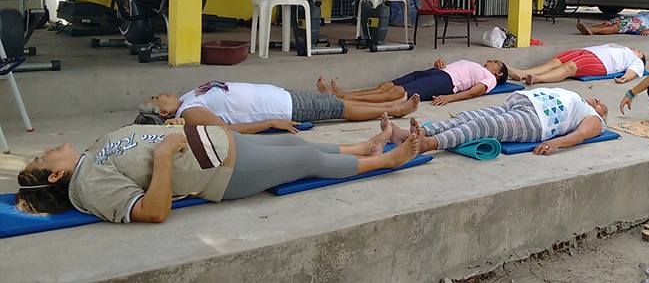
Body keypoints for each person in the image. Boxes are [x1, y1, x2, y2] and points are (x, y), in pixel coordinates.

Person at [15, 122, 420, 223]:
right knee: (307, 162)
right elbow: (152, 212)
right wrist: (162, 157)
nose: (47, 151)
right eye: (43, 159)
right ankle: (384, 160)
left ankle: (362, 146)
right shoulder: (88, 185)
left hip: (218, 143)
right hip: (222, 171)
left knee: (296, 145)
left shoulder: (90, 154)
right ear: (54, 177)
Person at [386, 87, 608, 156]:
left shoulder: (594, 119)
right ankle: (419, 133)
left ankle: (429, 144)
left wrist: (556, 144)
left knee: (481, 127)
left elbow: (579, 135)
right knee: (470, 117)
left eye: (601, 105)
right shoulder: (576, 97)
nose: (598, 101)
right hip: (521, 103)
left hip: (537, 120)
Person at [136, 80, 419, 134]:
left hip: (278, 96)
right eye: (156, 98)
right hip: (281, 109)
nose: (160, 93)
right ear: (163, 112)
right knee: (337, 108)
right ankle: (394, 111)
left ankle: (390, 102)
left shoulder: (187, 99)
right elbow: (227, 130)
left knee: (335, 102)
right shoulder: (188, 113)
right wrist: (270, 123)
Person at [321, 58, 509, 106]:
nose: (490, 61)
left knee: (397, 93)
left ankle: (347, 100)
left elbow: (475, 91)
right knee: (387, 86)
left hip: (445, 82)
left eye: (494, 62)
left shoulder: (490, 78)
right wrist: (440, 64)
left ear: (498, 73)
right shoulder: (478, 66)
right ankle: (346, 94)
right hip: (437, 72)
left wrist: (450, 98)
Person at [510, 43, 646, 85]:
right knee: (554, 62)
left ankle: (537, 79)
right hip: (588, 51)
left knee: (569, 67)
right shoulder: (621, 47)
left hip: (602, 62)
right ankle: (522, 73)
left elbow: (633, 71)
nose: (638, 50)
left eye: (640, 52)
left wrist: (626, 78)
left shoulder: (637, 61)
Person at [576, 10, 649, 36]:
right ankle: (588, 28)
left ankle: (592, 30)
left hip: (639, 23)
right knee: (609, 23)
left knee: (617, 27)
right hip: (633, 18)